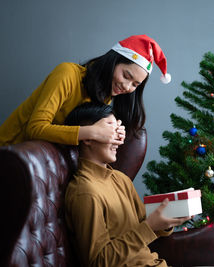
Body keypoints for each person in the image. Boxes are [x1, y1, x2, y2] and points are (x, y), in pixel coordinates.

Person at [64, 102, 189, 267]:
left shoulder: (121, 179)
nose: (119, 139)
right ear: (87, 136)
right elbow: (98, 262)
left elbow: (146, 226)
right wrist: (150, 226)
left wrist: (167, 221)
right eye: (110, 128)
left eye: (119, 130)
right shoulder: (85, 192)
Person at [0, 34, 171, 146]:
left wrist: (112, 132)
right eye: (126, 76)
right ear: (113, 61)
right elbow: (35, 128)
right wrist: (93, 131)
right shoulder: (67, 74)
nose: (127, 87)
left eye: (135, 85)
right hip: (11, 152)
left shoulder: (105, 96)